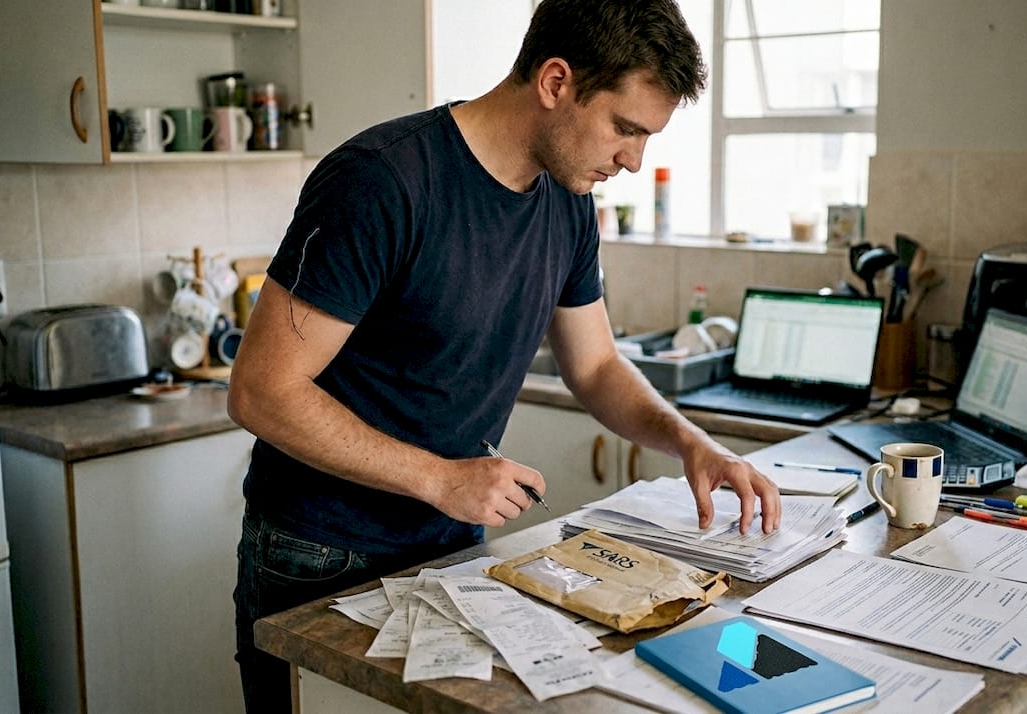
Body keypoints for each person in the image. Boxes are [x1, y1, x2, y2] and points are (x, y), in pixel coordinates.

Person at [226, 0, 782, 710]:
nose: (635, 161)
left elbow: (597, 367)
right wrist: (439, 478)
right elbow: (262, 391)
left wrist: (691, 443)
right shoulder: (383, 181)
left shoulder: (568, 198)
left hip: (451, 543)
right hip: (322, 550)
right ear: (555, 82)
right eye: (624, 129)